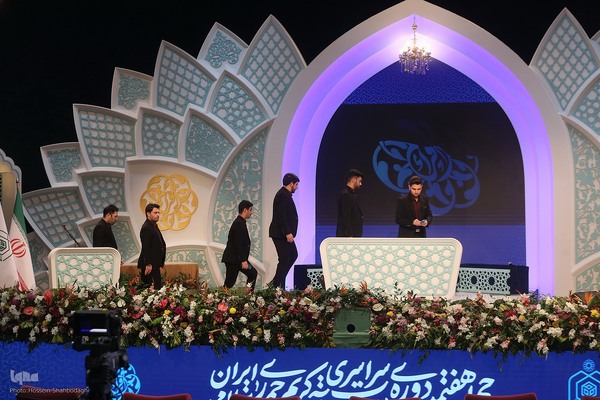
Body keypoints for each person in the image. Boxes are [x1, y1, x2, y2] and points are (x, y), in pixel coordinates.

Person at [268, 172, 299, 288]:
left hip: (283, 234)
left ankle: (277, 282)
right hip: (281, 234)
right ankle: (277, 285)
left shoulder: (285, 195)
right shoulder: (282, 195)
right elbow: (281, 216)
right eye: (296, 184)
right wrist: (287, 232)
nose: (297, 187)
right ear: (291, 184)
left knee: (292, 255)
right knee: (286, 258)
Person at [221, 200, 258, 293]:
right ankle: (221, 299)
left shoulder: (240, 222)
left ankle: (248, 294)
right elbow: (238, 244)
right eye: (250, 210)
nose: (251, 212)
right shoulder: (238, 223)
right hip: (234, 260)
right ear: (245, 210)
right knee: (229, 283)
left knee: (252, 274)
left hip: (237, 259)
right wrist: (243, 260)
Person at [137, 203, 166, 290]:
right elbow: (146, 247)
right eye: (155, 213)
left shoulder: (153, 225)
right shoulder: (146, 227)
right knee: (151, 290)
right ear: (148, 214)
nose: (158, 215)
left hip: (155, 264)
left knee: (157, 289)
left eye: (158, 213)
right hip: (150, 265)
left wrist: (161, 261)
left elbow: (159, 244)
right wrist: (148, 264)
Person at [336, 169, 364, 237]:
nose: (361, 184)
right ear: (353, 180)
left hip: (353, 237)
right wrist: (349, 237)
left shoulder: (351, 195)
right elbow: (346, 218)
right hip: (348, 238)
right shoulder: (346, 195)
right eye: (359, 181)